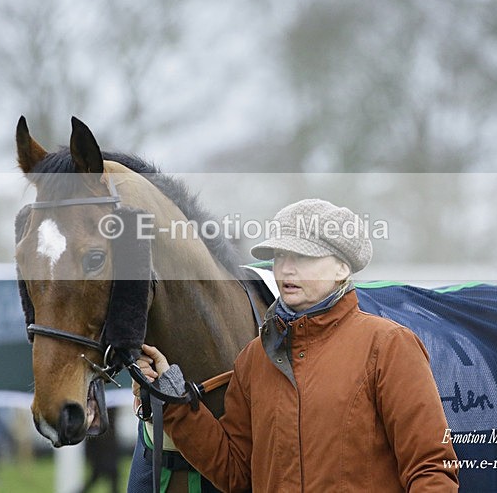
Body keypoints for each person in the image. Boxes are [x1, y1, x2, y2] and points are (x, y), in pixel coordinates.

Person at [135, 199, 458, 492]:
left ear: (342, 268)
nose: (286, 269)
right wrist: (173, 397)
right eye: (279, 257)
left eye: (302, 256)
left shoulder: (389, 346)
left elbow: (431, 469)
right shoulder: (253, 359)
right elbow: (236, 474)